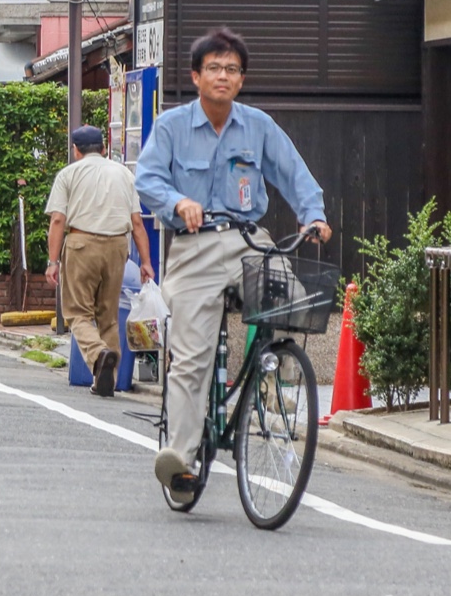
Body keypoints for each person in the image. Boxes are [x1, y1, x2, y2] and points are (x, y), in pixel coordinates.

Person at [134, 28, 329, 508]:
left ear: (242, 80)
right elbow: (147, 179)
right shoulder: (172, 127)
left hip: (248, 241)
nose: (224, 76)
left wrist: (315, 215)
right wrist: (178, 202)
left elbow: (293, 172)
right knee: (192, 359)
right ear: (196, 76)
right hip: (194, 249)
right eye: (215, 68)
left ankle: (273, 370)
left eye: (233, 69)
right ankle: (180, 459)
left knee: (291, 293)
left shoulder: (258, 126)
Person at [43, 125, 154, 398]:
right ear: (104, 149)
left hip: (82, 244)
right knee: (109, 316)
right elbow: (137, 223)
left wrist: (53, 261)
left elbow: (58, 220)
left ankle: (98, 355)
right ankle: (108, 380)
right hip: (118, 246)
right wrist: (146, 263)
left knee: (78, 313)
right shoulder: (124, 174)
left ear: (76, 151)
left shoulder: (69, 174)